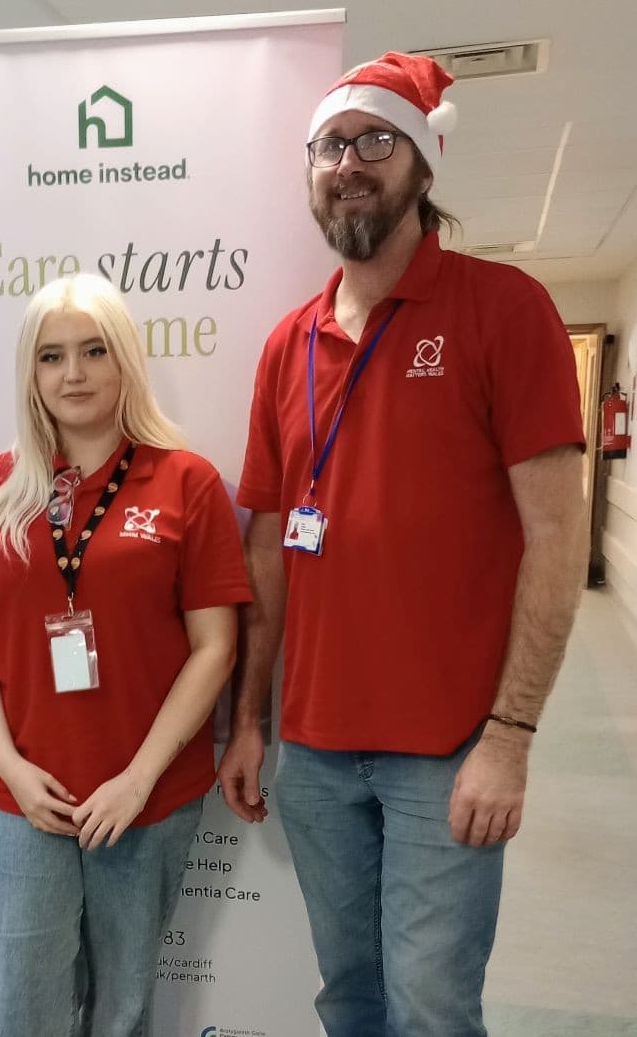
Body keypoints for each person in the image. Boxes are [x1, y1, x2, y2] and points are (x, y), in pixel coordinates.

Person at [217, 53, 586, 1036]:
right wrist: (250, 721)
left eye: (376, 141)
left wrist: (509, 737)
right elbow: (266, 553)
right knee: (352, 996)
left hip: (449, 749)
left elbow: (557, 531)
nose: (350, 163)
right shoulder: (284, 345)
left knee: (429, 1006)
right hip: (316, 753)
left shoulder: (504, 311)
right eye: (330, 146)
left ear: (424, 163)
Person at [0, 273, 251, 1037]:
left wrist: (137, 782)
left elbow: (215, 648)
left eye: (93, 351)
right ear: (29, 372)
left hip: (145, 796)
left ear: (125, 361)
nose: (72, 374)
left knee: (124, 1006)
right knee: (25, 1002)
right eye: (51, 356)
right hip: (25, 794)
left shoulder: (187, 482)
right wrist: (8, 763)